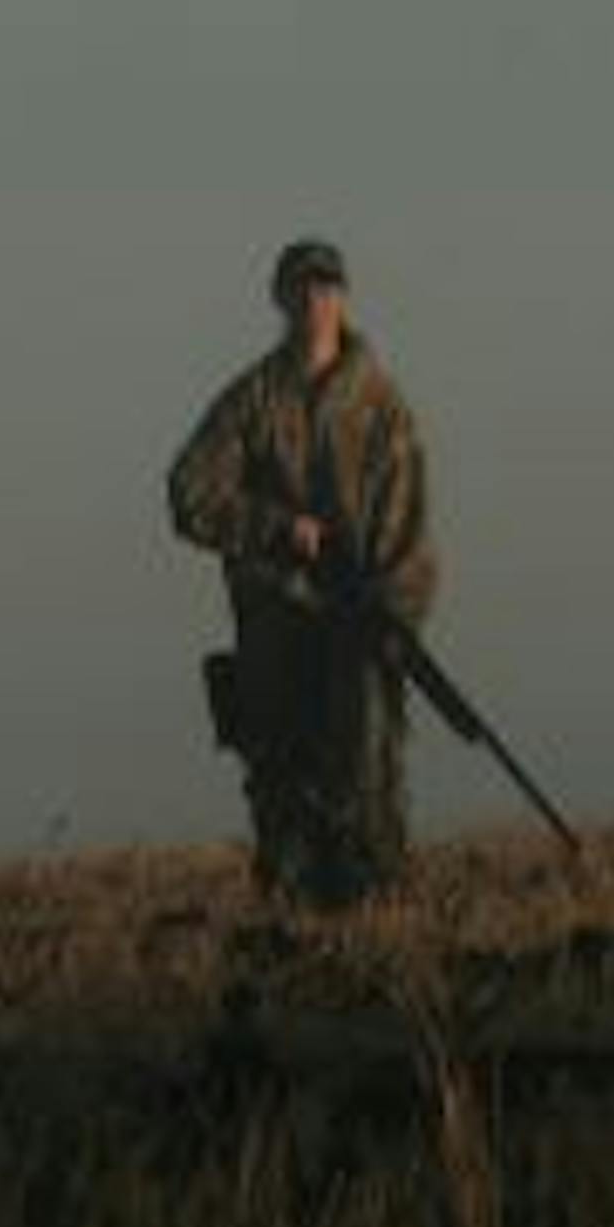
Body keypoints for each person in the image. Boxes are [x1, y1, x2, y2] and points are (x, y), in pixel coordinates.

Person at [167, 235, 436, 905]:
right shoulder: (252, 400)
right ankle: (289, 907)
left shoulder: (382, 406)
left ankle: (375, 905)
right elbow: (190, 491)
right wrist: (276, 527)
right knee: (280, 772)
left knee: (366, 769)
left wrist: (393, 614)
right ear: (281, 298)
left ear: (343, 298)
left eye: (327, 288)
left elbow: (410, 533)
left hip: (357, 618)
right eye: (303, 288)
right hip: (276, 615)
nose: (316, 302)